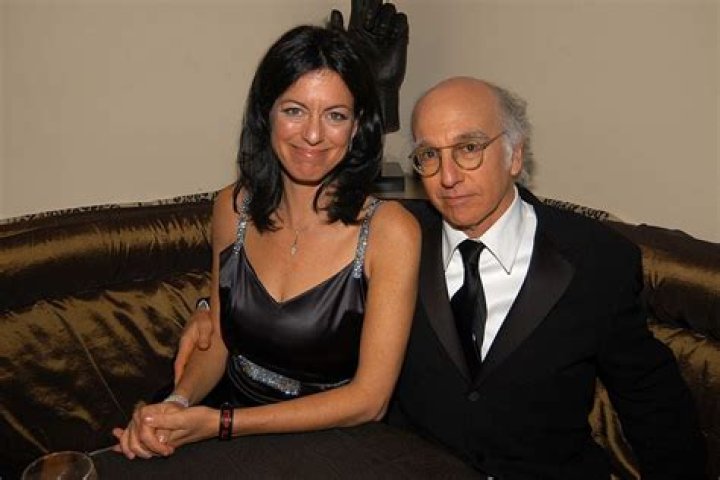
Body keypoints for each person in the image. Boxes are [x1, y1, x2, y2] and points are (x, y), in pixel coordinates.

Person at [176, 76, 707, 479]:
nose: (448, 177)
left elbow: (652, 401)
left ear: (515, 154)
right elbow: (296, 267)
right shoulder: (397, 236)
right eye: (429, 155)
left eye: (469, 148)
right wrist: (210, 311)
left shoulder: (594, 259)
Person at [112, 24, 420, 460]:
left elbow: (369, 400)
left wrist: (222, 424)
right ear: (267, 114)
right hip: (222, 411)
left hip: (331, 441)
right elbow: (218, 339)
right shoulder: (232, 208)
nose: (313, 135)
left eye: (335, 115)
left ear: (357, 128)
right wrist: (179, 404)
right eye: (295, 110)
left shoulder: (391, 232)